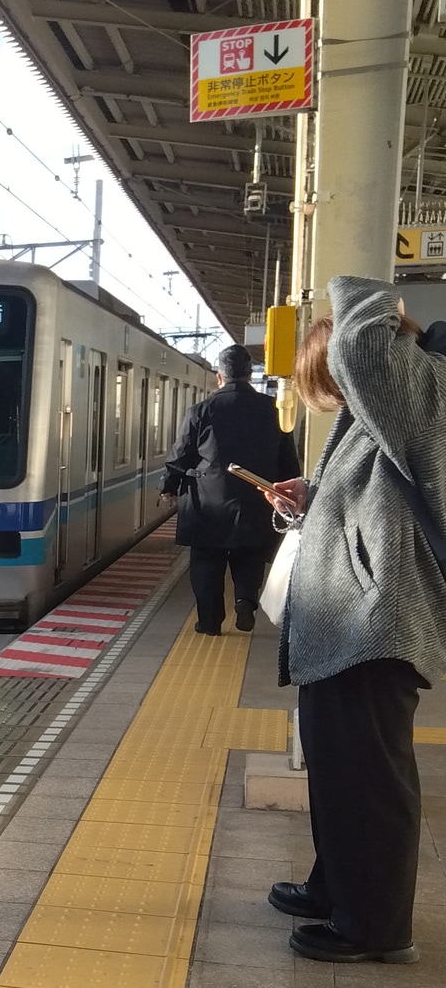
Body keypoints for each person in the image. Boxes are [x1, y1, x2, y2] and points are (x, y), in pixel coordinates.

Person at [263, 276, 446, 965]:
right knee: (342, 770)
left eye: (334, 376)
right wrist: (308, 498)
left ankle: (375, 924)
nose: (338, 390)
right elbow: (374, 504)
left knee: (370, 778)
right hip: (352, 625)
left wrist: (364, 298)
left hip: (378, 624)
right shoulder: (382, 417)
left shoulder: (420, 385)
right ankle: (336, 885)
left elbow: (368, 341)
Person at [159, 343, 301, 635]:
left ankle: (209, 623)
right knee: (250, 555)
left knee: (206, 563)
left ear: (219, 377)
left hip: (206, 502)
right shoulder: (271, 409)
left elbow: (180, 454)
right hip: (255, 497)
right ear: (250, 375)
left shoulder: (201, 410)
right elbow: (287, 458)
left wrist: (168, 486)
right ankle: (245, 601)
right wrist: (287, 492)